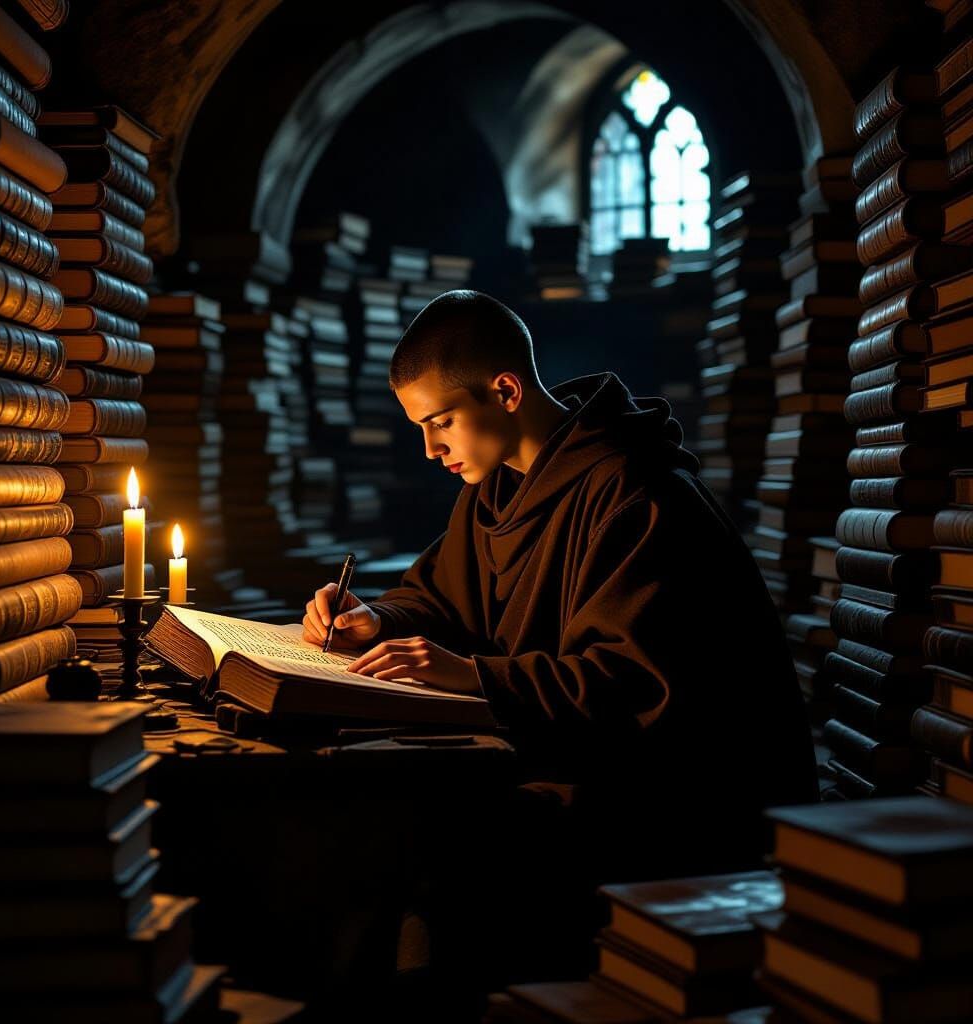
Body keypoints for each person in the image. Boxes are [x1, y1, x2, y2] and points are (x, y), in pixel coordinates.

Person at [301, 289, 817, 992]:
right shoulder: (493, 491)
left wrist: (476, 678)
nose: (430, 449)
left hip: (663, 806)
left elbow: (633, 685)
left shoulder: (639, 493)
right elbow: (440, 596)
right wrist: (377, 620)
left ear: (505, 390)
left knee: (432, 854)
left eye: (441, 422)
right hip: (562, 763)